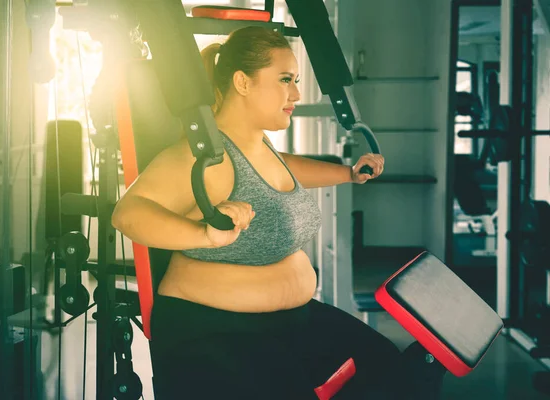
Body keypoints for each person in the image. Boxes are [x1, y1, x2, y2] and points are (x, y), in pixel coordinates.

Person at [112, 26, 444, 400]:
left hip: (290, 320)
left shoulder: (258, 145)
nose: (297, 93)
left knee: (390, 369)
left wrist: (347, 173)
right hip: (215, 331)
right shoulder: (204, 157)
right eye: (285, 79)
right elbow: (128, 213)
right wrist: (203, 235)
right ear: (242, 82)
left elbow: (283, 167)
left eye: (296, 80)